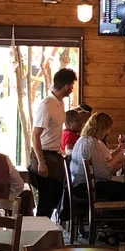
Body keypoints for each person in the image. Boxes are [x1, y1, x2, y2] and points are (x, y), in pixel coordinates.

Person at [30, 68, 77, 218]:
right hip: (43, 155)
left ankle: (48, 231)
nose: (72, 88)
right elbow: (35, 135)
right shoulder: (46, 105)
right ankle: (39, 235)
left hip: (55, 155)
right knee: (46, 201)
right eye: (72, 85)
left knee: (55, 197)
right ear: (66, 87)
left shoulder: (60, 103)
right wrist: (41, 161)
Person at [69, 112, 125, 203]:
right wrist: (117, 159)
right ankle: (115, 215)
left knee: (124, 186)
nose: (109, 132)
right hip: (85, 188)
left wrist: (123, 160)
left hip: (80, 184)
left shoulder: (84, 139)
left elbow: (103, 168)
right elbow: (105, 173)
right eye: (108, 129)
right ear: (102, 128)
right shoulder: (92, 143)